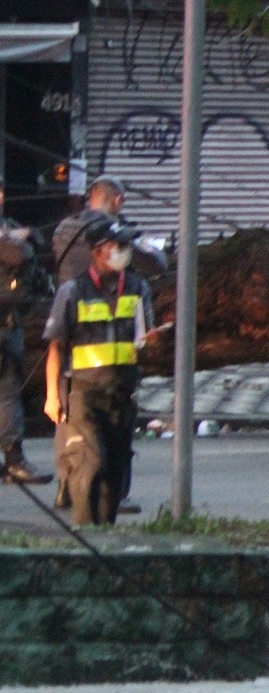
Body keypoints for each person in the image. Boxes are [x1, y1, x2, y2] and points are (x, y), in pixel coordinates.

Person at [43, 218, 151, 524]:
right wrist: (53, 395)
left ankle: (105, 537)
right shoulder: (73, 291)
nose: (125, 252)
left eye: (126, 246)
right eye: (119, 246)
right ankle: (86, 538)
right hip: (86, 394)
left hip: (122, 393)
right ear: (98, 251)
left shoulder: (137, 287)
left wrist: (153, 341)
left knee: (115, 470)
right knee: (92, 463)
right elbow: (56, 348)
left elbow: (145, 337)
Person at [0, 189, 48, 484]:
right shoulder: (9, 232)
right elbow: (19, 253)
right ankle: (14, 461)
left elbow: (35, 244)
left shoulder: (8, 224)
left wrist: (23, 234)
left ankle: (14, 459)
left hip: (10, 323)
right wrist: (17, 237)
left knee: (8, 393)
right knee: (6, 395)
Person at [51, 178, 125, 290]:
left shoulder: (63, 226)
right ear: (117, 200)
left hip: (67, 298)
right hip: (98, 303)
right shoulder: (113, 230)